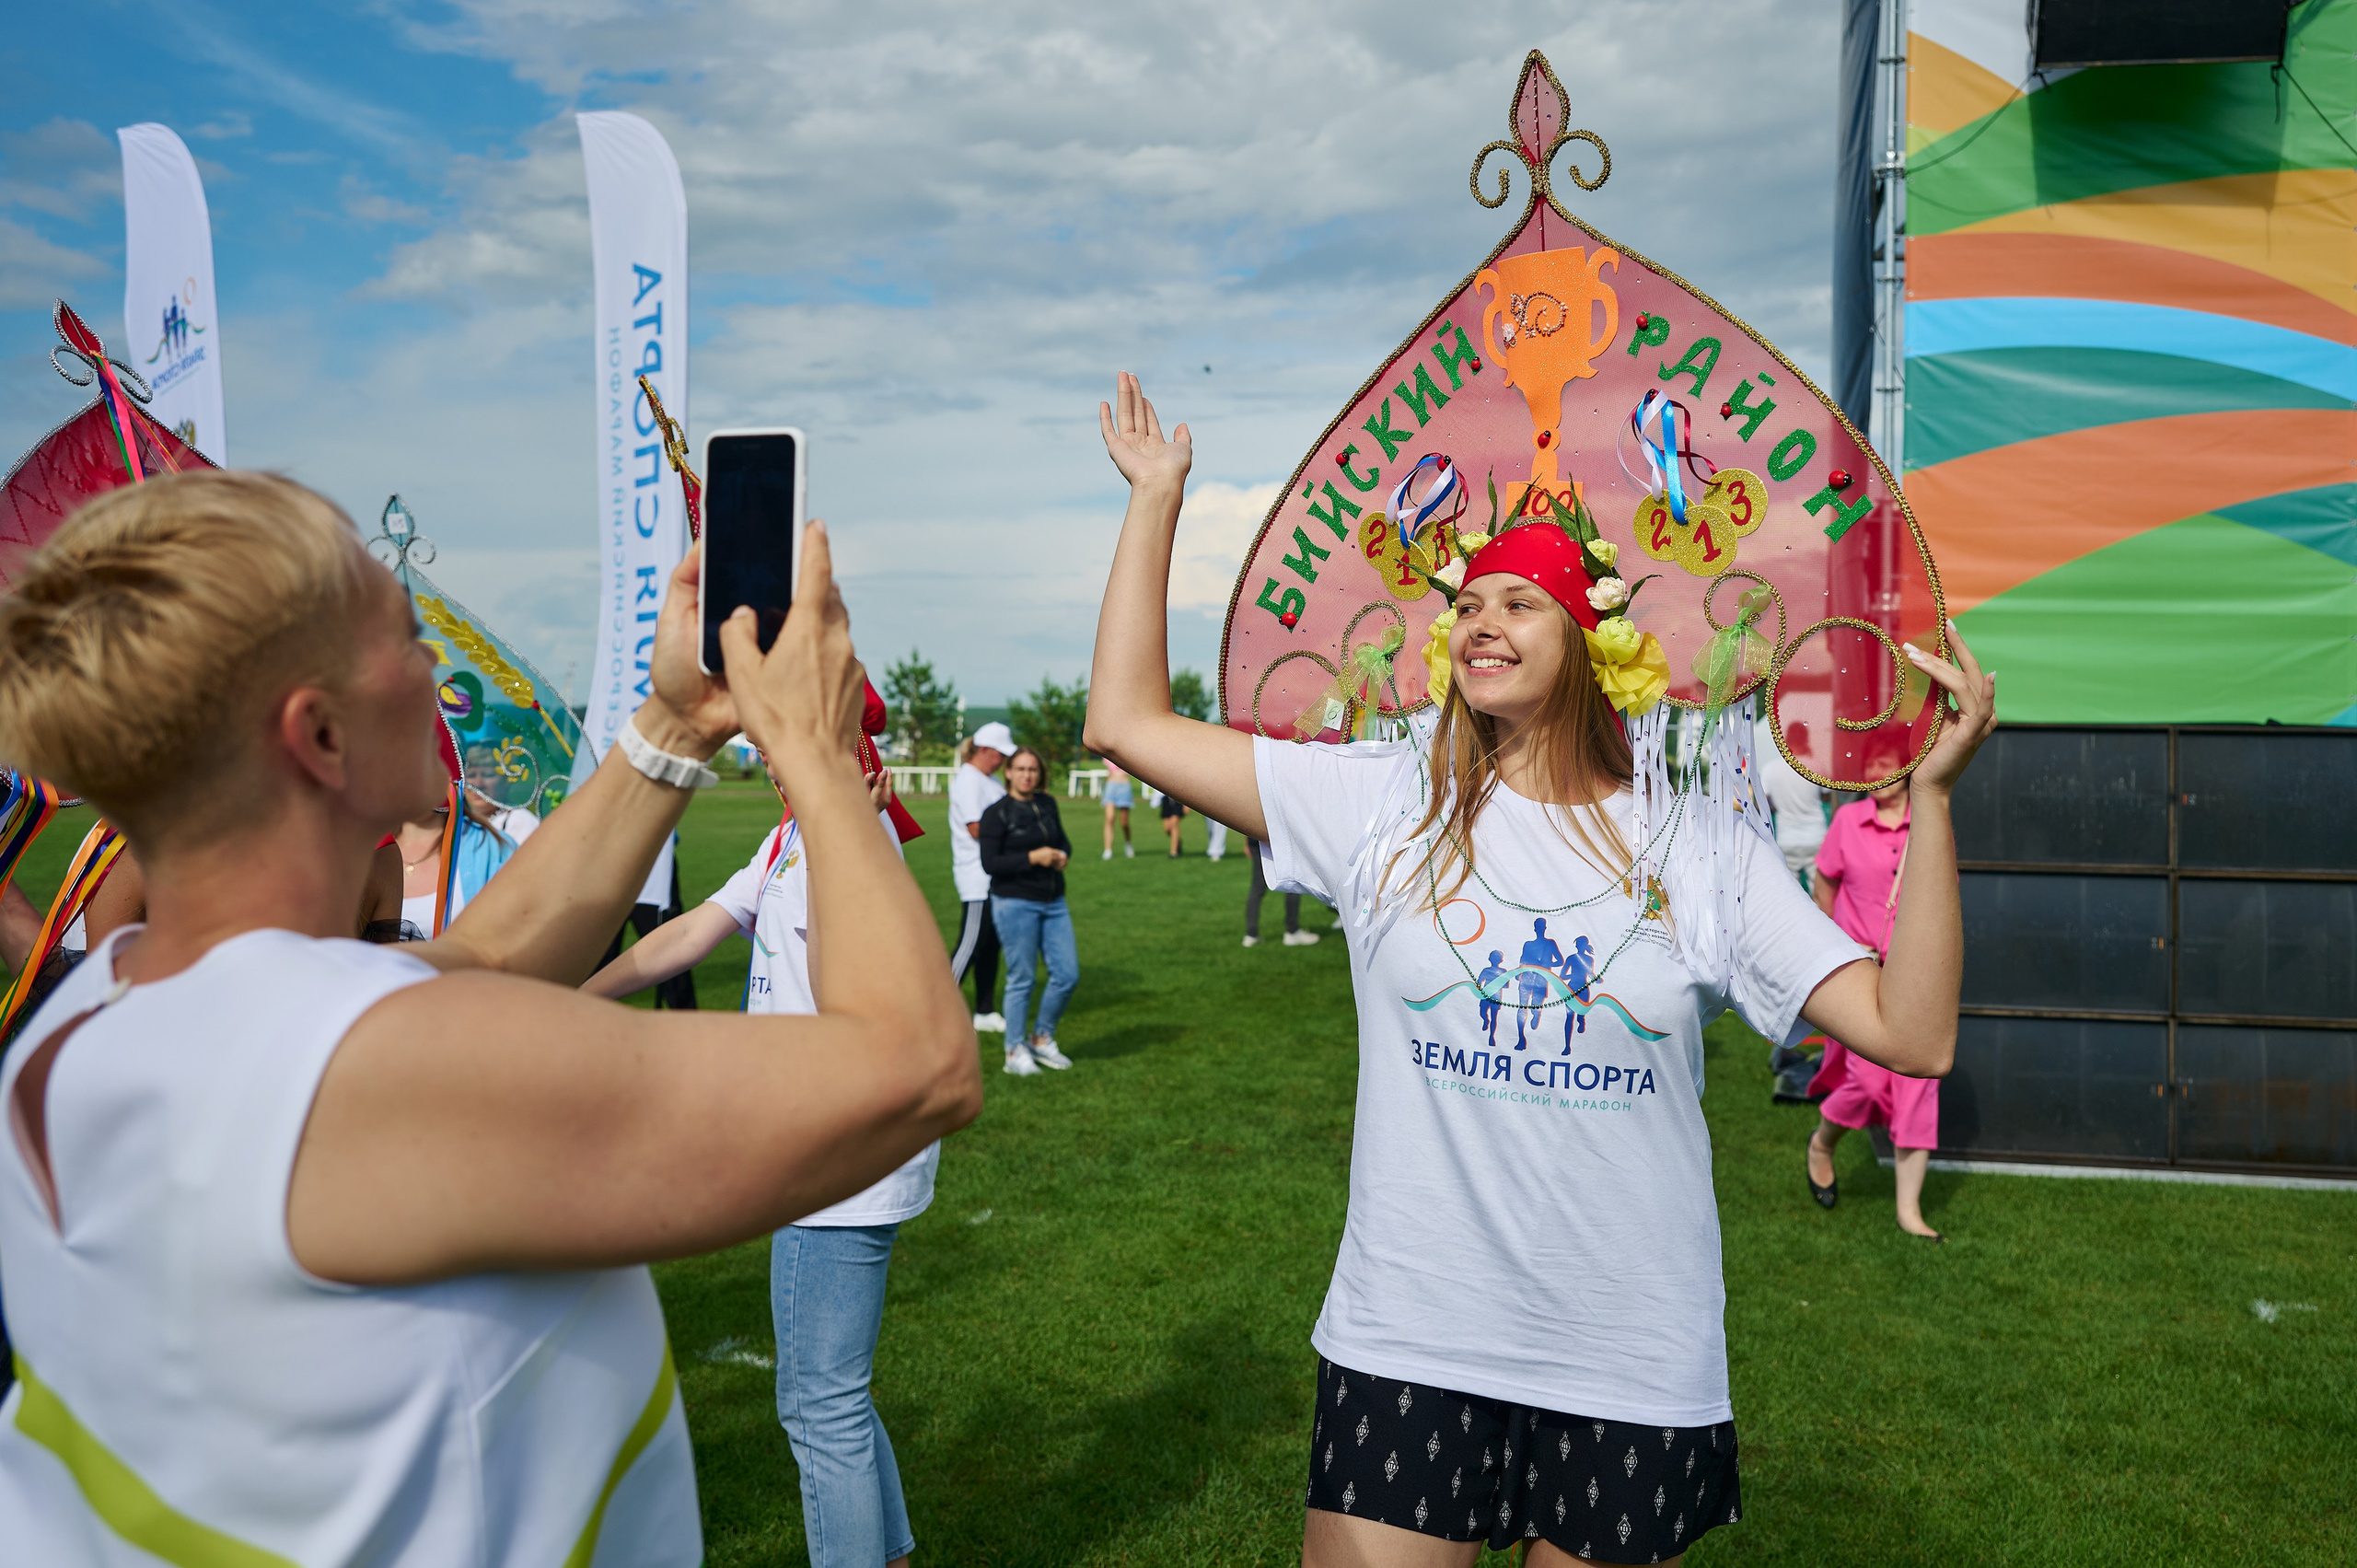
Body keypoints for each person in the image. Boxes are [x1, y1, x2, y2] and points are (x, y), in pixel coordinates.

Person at [1085, 373, 1993, 1566]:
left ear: (1591, 642)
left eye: (1523, 599)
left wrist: (1928, 800)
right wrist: (1157, 496)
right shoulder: (1381, 801)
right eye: (1467, 599)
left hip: (1629, 1356)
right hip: (1409, 1339)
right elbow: (1125, 724)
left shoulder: (1699, 843)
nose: (1482, 617)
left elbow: (1912, 1031)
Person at [0, 470, 980, 1564]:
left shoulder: (98, 1006)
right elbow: (916, 1067)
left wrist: (676, 723)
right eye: (408, 637)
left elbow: (489, 955)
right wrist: (816, 748)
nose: (438, 670)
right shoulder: (373, 1074)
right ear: (318, 734)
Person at [585, 754, 932, 1568]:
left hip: (836, 1158)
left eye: (787, 743)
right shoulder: (790, 837)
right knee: (837, 1395)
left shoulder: (850, 837)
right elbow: (692, 929)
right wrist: (575, 995)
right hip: (822, 1147)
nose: (772, 760)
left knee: (818, 1406)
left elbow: (840, 992)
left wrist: (838, 834)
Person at [1803, 766, 1945, 1239]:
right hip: (1858, 971)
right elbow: (1823, 893)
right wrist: (1826, 956)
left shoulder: (1929, 822)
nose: (1882, 776)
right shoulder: (1847, 820)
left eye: (1891, 766)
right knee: (1865, 1084)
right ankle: (1822, 1145)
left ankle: (1909, 1213)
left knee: (1918, 1087)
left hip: (1914, 976)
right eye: (1874, 767)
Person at [979, 746, 1077, 1075]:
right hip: (1015, 902)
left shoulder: (1046, 804)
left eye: (1032, 770)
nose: (1026, 775)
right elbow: (990, 863)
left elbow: (1063, 841)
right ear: (1008, 772)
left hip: (1054, 902)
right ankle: (1013, 1051)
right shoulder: (997, 813)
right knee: (1022, 978)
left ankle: (1041, 1038)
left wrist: (1062, 855)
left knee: (1066, 975)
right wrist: (1033, 858)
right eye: (1020, 769)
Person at [949, 723, 1013, 1034]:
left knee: (990, 947)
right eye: (1000, 754)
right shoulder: (969, 781)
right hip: (977, 875)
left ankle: (984, 1011)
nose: (1002, 761)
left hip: (995, 873)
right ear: (986, 751)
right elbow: (977, 829)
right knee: (970, 945)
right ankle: (937, 1008)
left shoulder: (991, 781)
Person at [1755, 714, 1829, 889]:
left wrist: (1779, 804)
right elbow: (1825, 796)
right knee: (1819, 893)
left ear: (1785, 739)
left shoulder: (1770, 769)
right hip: (1816, 836)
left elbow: (1762, 805)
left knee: (1792, 897)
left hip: (1786, 839)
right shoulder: (1816, 766)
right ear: (1806, 738)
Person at [1244, 836, 1318, 947]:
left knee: (1257, 887)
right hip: (1277, 834)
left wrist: (1247, 841)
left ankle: (1251, 934)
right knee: (1292, 881)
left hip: (1254, 836)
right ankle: (1292, 931)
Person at [1101, 757, 1135, 859]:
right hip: (1111, 785)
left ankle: (1128, 843)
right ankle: (1107, 850)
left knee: (1124, 822)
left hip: (1124, 785)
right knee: (1110, 818)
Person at [1159, 785, 1187, 856]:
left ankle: (1173, 852)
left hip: (1178, 798)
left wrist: (1187, 805)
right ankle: (1177, 841)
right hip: (1166, 798)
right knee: (1167, 828)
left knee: (1174, 823)